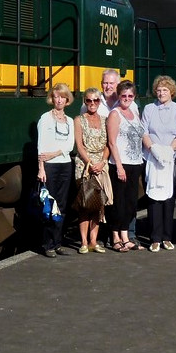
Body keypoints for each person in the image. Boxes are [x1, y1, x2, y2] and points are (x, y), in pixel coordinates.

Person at [141, 75, 176, 252]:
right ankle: (155, 238)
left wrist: (168, 151)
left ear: (171, 92)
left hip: (170, 158)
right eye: (159, 90)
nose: (161, 93)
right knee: (153, 198)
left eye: (165, 90)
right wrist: (153, 149)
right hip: (152, 157)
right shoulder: (149, 109)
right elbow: (143, 132)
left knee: (168, 198)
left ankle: (167, 237)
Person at [105, 80, 146, 252]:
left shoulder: (134, 112)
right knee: (118, 202)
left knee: (130, 203)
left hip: (135, 163)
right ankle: (115, 237)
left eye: (130, 95)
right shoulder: (115, 114)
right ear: (119, 96)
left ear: (134, 96)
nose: (127, 98)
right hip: (120, 164)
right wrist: (119, 166)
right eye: (124, 95)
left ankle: (125, 236)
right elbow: (112, 142)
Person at [36, 83, 76, 258]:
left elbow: (70, 145)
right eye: (56, 97)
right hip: (49, 167)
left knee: (62, 205)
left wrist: (54, 153)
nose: (59, 100)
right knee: (49, 205)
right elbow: (41, 146)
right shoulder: (45, 119)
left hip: (65, 165)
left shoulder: (70, 121)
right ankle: (48, 244)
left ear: (67, 100)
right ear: (52, 99)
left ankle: (58, 242)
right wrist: (41, 168)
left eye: (62, 97)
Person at [73, 87, 113, 253]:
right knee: (85, 204)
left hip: (101, 165)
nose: (92, 103)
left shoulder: (105, 120)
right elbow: (79, 145)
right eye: (89, 100)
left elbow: (108, 144)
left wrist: (102, 162)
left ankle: (93, 241)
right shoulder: (79, 120)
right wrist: (89, 163)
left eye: (95, 100)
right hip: (85, 166)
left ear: (99, 102)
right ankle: (83, 242)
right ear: (85, 101)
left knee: (98, 205)